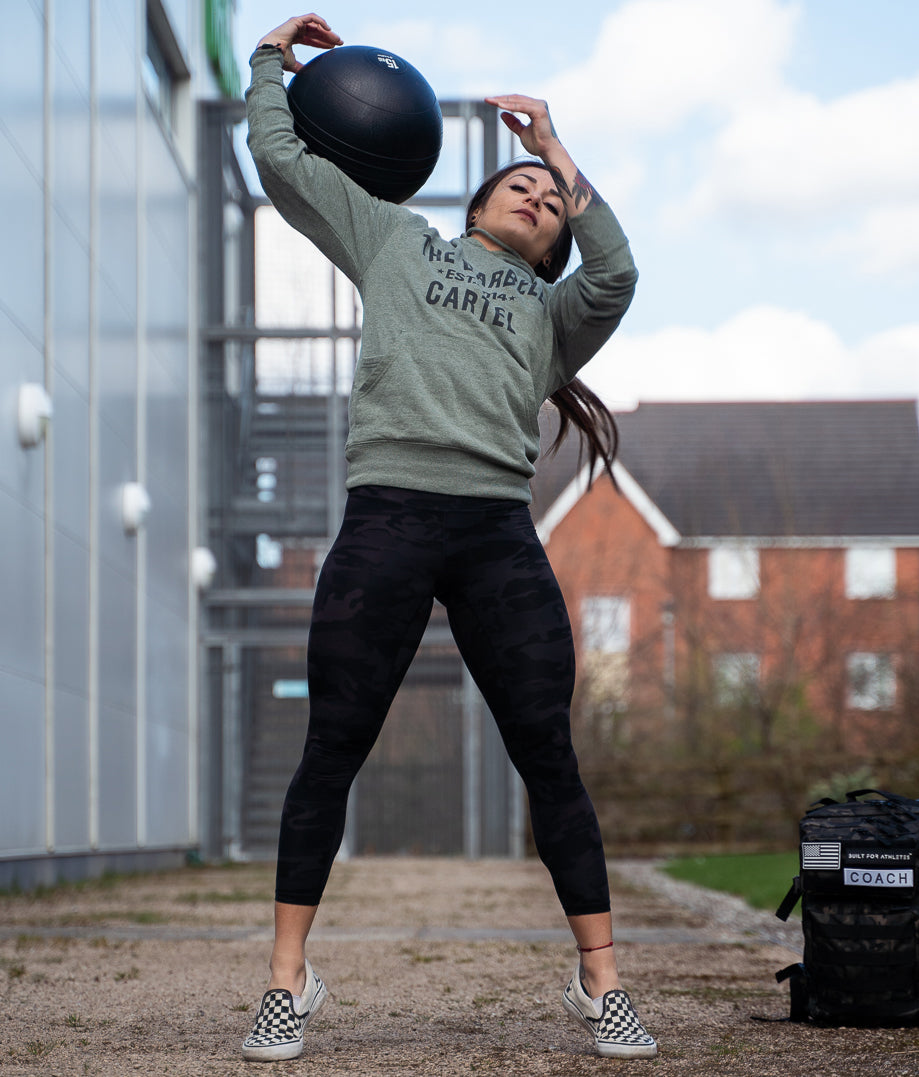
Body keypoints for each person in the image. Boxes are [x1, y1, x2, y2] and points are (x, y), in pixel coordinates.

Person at [241, 13, 655, 1063]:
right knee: (330, 750)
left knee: (548, 757)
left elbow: (618, 275)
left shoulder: (555, 312)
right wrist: (271, 61)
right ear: (471, 204)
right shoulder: (391, 239)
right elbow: (280, 153)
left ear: (554, 236)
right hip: (387, 515)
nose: (535, 192)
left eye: (549, 197)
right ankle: (287, 984)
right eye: (519, 181)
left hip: (494, 536)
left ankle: (601, 983)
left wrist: (564, 151)